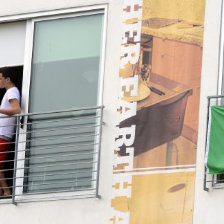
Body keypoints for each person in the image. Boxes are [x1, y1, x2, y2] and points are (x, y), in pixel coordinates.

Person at [0, 67, 21, 197]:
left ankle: (6, 191)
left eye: (0, 79)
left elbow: (16, 110)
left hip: (4, 134)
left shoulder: (12, 91)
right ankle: (3, 191)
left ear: (7, 79)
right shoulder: (10, 92)